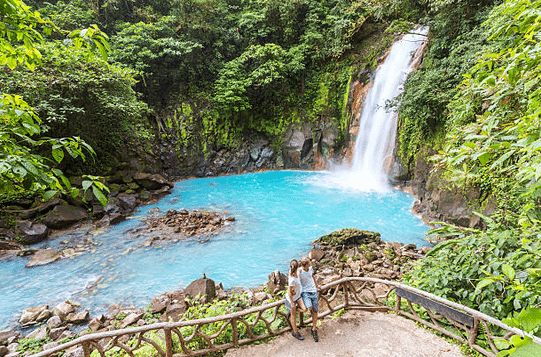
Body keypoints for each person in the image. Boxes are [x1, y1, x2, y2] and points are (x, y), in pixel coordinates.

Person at [285, 259, 307, 340]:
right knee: (293, 316)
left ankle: (290, 311)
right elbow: (289, 292)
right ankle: (295, 332)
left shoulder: (296, 271)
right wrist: (291, 303)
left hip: (298, 296)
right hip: (291, 298)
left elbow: (300, 270)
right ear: (297, 266)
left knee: (304, 309)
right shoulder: (292, 280)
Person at [299, 256, 320, 342]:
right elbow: (291, 274)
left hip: (313, 291)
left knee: (315, 310)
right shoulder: (299, 271)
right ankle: (296, 310)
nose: (310, 262)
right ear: (306, 264)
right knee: (309, 308)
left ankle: (314, 328)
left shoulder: (310, 269)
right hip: (305, 292)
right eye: (309, 262)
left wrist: (317, 286)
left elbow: (313, 277)